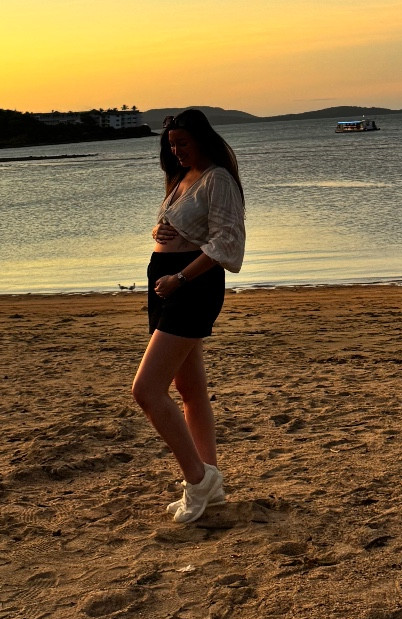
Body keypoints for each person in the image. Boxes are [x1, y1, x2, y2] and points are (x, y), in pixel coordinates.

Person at [132, 109, 245, 524]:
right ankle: (211, 485)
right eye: (171, 144)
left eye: (183, 143)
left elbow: (226, 243)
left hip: (190, 287)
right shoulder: (182, 178)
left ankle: (197, 480)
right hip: (165, 283)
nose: (177, 150)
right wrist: (158, 233)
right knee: (189, 390)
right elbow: (185, 230)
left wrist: (180, 278)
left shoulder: (218, 179)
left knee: (146, 390)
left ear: (202, 140)